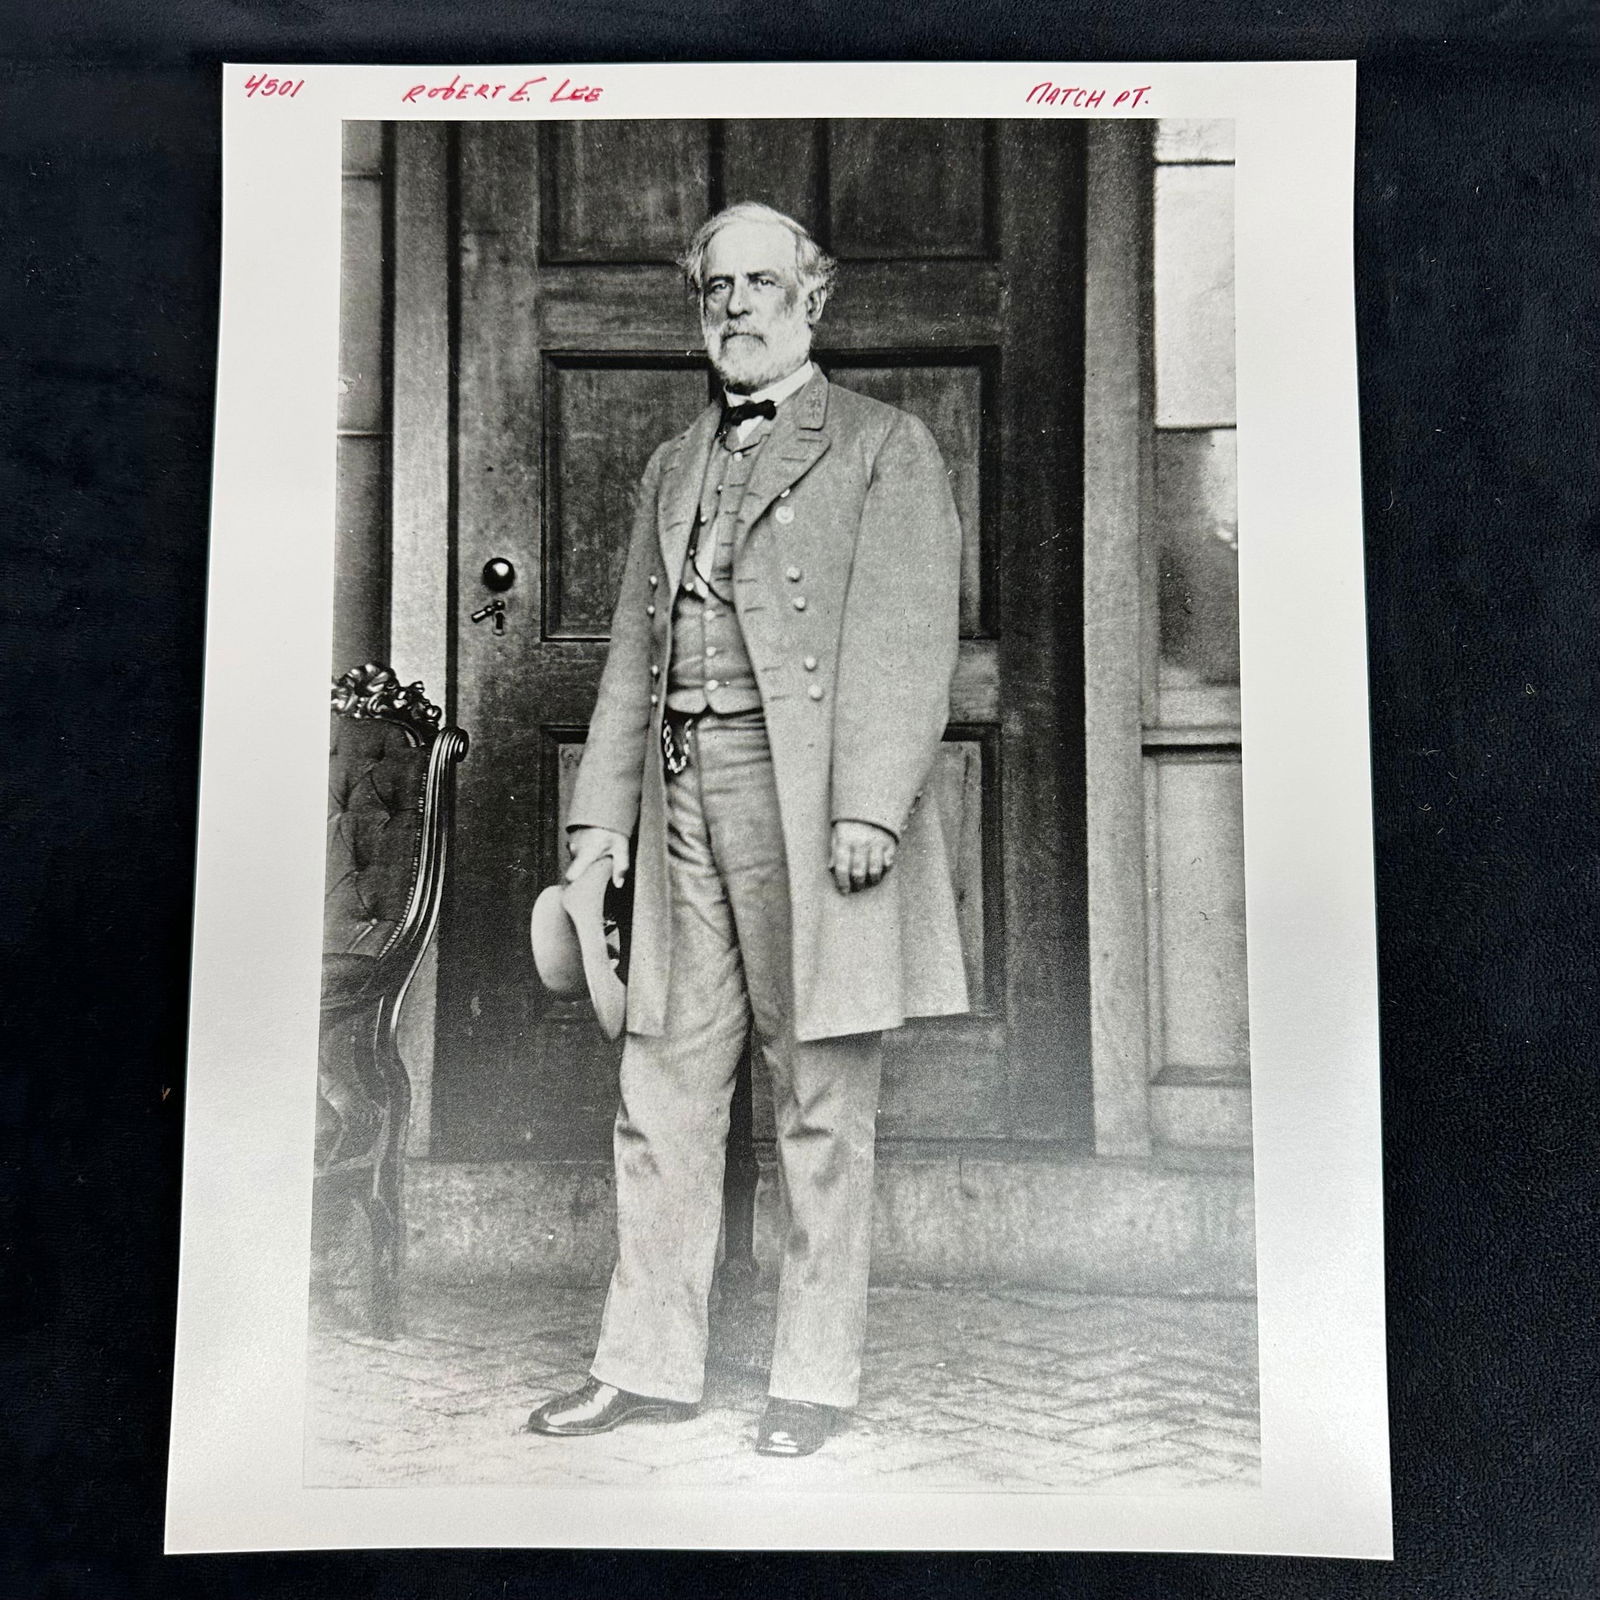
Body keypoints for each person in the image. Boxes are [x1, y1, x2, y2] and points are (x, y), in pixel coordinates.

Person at [526, 202, 967, 1457]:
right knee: (658, 1073)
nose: (734, 307)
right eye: (714, 288)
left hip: (811, 800)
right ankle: (646, 1362)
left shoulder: (884, 447)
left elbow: (904, 636)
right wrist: (596, 826)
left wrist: (870, 802)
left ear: (811, 300)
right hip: (677, 798)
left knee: (820, 1087)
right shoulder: (672, 465)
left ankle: (811, 1378)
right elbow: (630, 662)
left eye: (760, 285)